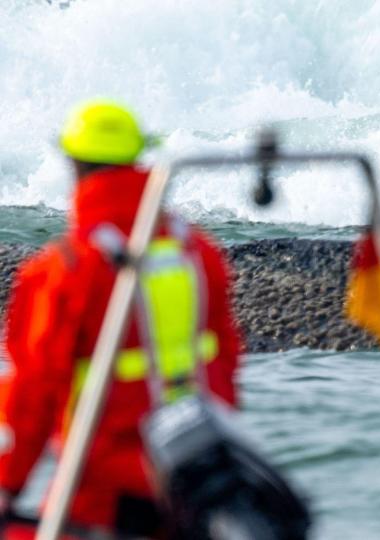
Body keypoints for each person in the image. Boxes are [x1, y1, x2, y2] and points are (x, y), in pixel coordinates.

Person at [0, 99, 242, 536]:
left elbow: (31, 394)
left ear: (74, 166)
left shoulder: (65, 269)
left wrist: (7, 486)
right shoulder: (198, 254)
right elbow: (225, 360)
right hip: (197, 478)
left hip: (102, 490)